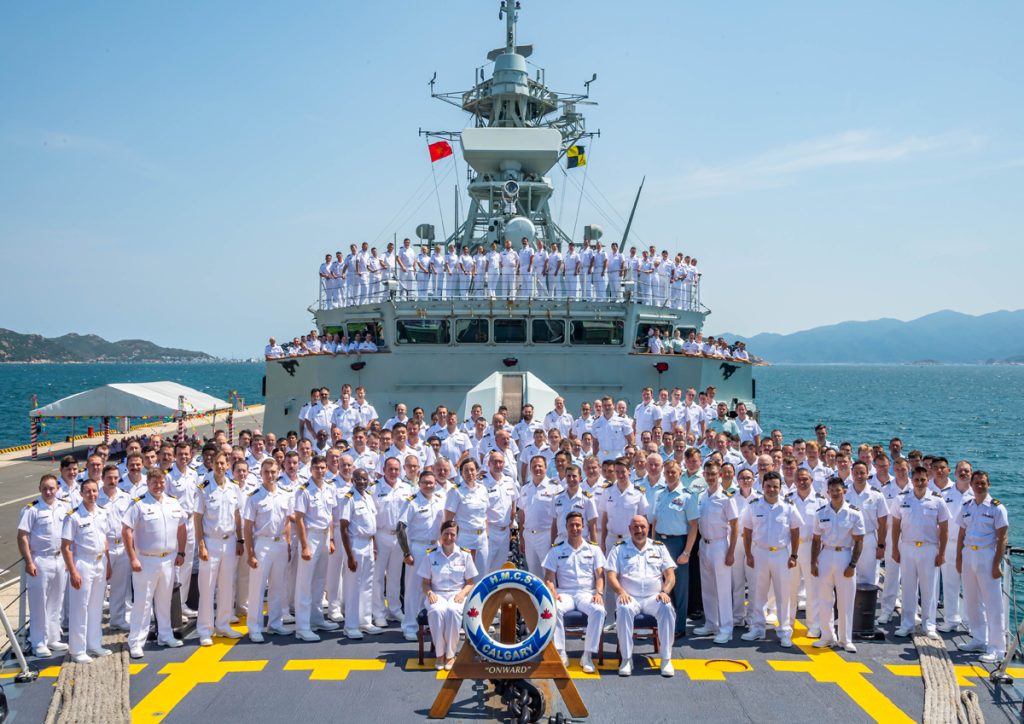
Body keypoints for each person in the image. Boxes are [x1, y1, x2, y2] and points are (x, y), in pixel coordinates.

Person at [122, 467, 188, 658]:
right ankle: (136, 641)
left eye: (161, 482)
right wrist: (133, 557)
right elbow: (126, 530)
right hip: (146, 560)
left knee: (164, 600)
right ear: (148, 484)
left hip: (168, 559)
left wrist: (181, 552)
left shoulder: (173, 503)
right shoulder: (139, 504)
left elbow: (182, 527)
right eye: (154, 482)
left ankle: (165, 635)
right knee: (142, 604)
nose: (158, 486)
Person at [606, 515, 677, 677]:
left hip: (654, 597)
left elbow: (670, 575)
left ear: (649, 528)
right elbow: (611, 575)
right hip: (630, 597)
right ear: (630, 529)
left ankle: (666, 659)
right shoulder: (619, 548)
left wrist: (664, 591)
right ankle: (626, 658)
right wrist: (621, 592)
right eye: (636, 527)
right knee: (623, 609)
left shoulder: (659, 547)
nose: (639, 530)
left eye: (643, 527)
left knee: (666, 608)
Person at [741, 471, 801, 647]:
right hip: (759, 552)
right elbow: (747, 532)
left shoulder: (788, 506)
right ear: (762, 487)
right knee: (758, 592)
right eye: (768, 486)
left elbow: (795, 531)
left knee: (783, 594)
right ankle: (758, 628)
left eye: (775, 486)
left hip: (781, 553)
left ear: (780, 487)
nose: (772, 489)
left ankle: (784, 631)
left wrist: (794, 555)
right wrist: (749, 554)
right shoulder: (753, 506)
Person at [955, 470, 1009, 663]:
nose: (979, 486)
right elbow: (961, 533)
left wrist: (996, 563)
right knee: (971, 599)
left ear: (989, 484)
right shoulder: (967, 506)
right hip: (969, 553)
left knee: (993, 604)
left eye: (983, 483)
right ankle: (979, 638)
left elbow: (1002, 537)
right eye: (976, 483)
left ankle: (997, 647)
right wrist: (959, 559)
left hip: (987, 555)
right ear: (971, 485)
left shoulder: (997, 508)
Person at [543, 511, 607, 672]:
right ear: (566, 527)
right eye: (571, 525)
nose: (575, 528)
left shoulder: (594, 549)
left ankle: (587, 655)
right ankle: (561, 652)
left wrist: (598, 593)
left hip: (587, 593)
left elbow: (600, 576)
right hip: (564, 593)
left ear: (583, 527)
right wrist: (552, 592)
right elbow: (549, 578)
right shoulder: (556, 550)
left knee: (599, 610)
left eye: (578, 525)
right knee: (553, 608)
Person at [891, 466, 950, 638]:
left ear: (928, 479)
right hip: (907, 547)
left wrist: (942, 553)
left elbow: (945, 529)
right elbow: (895, 526)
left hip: (929, 548)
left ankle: (929, 625)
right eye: (916, 479)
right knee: (908, 587)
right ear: (912, 479)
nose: (919, 483)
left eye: (923, 480)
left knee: (929, 589)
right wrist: (895, 548)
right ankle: (907, 624)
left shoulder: (937, 501)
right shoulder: (901, 499)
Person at [17, 474, 71, 658]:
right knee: (39, 603)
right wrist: (29, 561)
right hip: (40, 560)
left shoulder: (64, 507)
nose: (48, 492)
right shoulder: (32, 509)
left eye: (52, 488)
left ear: (57, 488)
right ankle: (39, 642)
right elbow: (22, 536)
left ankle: (53, 638)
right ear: (40, 489)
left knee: (56, 600)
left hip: (59, 559)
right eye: (45, 488)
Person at [195, 452, 244, 646]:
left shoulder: (233, 487)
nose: (220, 466)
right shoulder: (204, 488)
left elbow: (237, 515)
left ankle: (223, 624)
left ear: (227, 465)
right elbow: (197, 518)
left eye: (223, 463)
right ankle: (205, 629)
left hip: (230, 540)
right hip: (211, 541)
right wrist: (201, 545)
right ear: (212, 464)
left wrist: (240, 540)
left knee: (226, 585)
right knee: (207, 587)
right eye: (217, 463)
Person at [60, 479, 113, 663]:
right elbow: (65, 547)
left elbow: (105, 540)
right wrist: (73, 571)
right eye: (88, 492)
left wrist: (109, 564)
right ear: (81, 494)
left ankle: (94, 644)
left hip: (100, 562)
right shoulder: (74, 516)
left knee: (96, 606)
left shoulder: (103, 513)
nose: (92, 495)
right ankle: (77, 650)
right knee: (79, 608)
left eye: (94, 491)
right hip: (82, 563)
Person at [810, 477, 865, 652]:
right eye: (832, 490)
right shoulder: (821, 513)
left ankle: (845, 639)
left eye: (838, 490)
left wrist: (853, 564)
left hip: (845, 555)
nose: (835, 493)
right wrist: (813, 562)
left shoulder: (854, 513)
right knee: (825, 598)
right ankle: (826, 635)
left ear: (844, 491)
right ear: (828, 492)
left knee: (846, 600)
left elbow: (859, 541)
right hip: (826, 554)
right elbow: (816, 540)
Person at [243, 459, 294, 643]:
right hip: (262, 544)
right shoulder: (254, 496)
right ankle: (255, 627)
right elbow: (247, 527)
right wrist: (250, 553)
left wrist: (288, 544)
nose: (270, 475)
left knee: (277, 586)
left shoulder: (285, 494)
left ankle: (275, 623)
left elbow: (287, 522)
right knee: (257, 588)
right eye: (266, 472)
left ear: (278, 472)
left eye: (273, 471)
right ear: (261, 473)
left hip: (280, 542)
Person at [417, 520, 478, 671]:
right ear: (441, 534)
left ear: (457, 536)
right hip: (437, 593)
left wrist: (462, 594)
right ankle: (440, 654)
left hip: (457, 593)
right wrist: (429, 593)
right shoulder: (431, 556)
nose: (449, 537)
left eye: (452, 534)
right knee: (437, 611)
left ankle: (450, 655)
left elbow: (470, 582)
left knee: (453, 611)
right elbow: (425, 583)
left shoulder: (465, 555)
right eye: (446, 534)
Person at [650, 459, 699, 641]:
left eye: (674, 472)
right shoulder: (660, 495)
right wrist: (653, 543)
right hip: (661, 544)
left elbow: (694, 525)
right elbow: (655, 521)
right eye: (668, 472)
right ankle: (662, 623)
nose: (670, 475)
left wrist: (687, 552)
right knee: (661, 585)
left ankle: (679, 627)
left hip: (678, 543)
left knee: (680, 588)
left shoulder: (687, 496)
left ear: (680, 473)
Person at [292, 455, 340, 642]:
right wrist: (304, 546)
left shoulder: (330, 488)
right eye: (317, 468)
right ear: (311, 469)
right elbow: (299, 519)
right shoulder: (303, 490)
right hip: (310, 536)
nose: (320, 471)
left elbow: (330, 516)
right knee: (304, 583)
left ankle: (317, 618)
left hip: (324, 536)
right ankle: (302, 626)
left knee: (320, 581)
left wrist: (331, 539)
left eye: (323, 467)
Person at [398, 470, 446, 641]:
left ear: (435, 484)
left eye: (431, 482)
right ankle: (409, 626)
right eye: (425, 482)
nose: (428, 485)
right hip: (417, 548)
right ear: (419, 483)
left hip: (435, 547)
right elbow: (400, 528)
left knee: (430, 588)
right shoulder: (411, 502)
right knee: (412, 588)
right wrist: (406, 552)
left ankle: (424, 623)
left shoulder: (440, 500)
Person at [697, 461, 740, 644]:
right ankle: (711, 623)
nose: (710, 477)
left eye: (713, 474)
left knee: (723, 589)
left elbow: (735, 525)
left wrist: (730, 552)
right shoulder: (702, 496)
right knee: (707, 587)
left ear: (720, 475)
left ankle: (726, 628)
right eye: (707, 474)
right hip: (704, 544)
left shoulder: (727, 497)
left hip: (720, 544)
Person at [369, 457, 414, 627]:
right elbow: (371, 516)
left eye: (396, 469)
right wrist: (372, 540)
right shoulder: (374, 488)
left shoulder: (407, 488)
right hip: (381, 535)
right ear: (384, 469)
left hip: (400, 537)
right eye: (390, 469)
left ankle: (395, 610)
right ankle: (379, 613)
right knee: (378, 577)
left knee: (395, 576)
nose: (393, 472)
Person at [339, 468, 380, 638]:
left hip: (369, 544)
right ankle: (351, 625)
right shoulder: (349, 499)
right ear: (353, 480)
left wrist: (375, 545)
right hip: (355, 544)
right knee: (353, 586)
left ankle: (365, 621)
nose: (362, 482)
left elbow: (372, 525)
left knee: (367, 585)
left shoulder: (368, 497)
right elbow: (344, 528)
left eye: (364, 479)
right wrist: (349, 556)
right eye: (358, 479)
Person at [98, 464, 133, 631]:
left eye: (115, 477)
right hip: (103, 547)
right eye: (109, 478)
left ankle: (117, 619)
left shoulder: (126, 498)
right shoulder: (95, 497)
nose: (112, 481)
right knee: (98, 586)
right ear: (102, 478)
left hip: (123, 546)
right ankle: (95, 621)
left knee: (120, 586)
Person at [844, 461, 887, 586]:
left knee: (870, 576)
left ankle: (867, 604)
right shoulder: (844, 493)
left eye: (862, 473)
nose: (859, 476)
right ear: (851, 474)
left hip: (868, 539)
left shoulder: (877, 495)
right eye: (856, 472)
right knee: (847, 576)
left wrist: (881, 546)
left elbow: (883, 523)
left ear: (868, 474)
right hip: (847, 539)